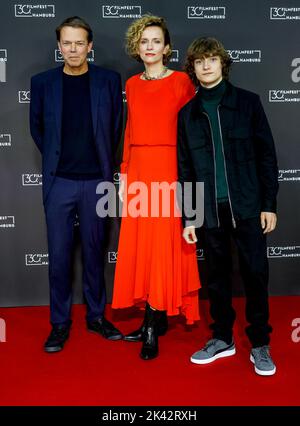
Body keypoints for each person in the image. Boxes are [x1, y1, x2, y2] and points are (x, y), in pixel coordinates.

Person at [177, 37, 279, 375]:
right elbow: (185, 169)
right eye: (200, 61)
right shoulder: (187, 115)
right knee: (217, 279)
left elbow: (266, 156)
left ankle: (260, 344)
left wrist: (268, 203)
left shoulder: (248, 104)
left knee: (255, 275)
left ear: (223, 64)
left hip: (248, 206)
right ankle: (222, 338)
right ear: (192, 68)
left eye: (212, 60)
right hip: (209, 211)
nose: (206, 66)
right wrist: (189, 217)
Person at [30, 16, 123, 353]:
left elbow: (115, 128)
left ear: (90, 46)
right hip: (59, 184)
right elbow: (38, 129)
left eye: (79, 42)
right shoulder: (42, 83)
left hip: (97, 182)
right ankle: (59, 323)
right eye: (66, 43)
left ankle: (97, 316)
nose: (72, 49)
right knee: (58, 257)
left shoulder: (108, 81)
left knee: (96, 253)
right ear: (59, 47)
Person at [112, 15, 201, 360]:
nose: (150, 47)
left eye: (156, 41)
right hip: (139, 171)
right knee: (144, 246)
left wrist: (190, 177)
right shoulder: (132, 84)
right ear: (138, 47)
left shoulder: (181, 82)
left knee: (165, 245)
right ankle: (156, 315)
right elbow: (131, 131)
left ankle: (152, 323)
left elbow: (193, 133)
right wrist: (124, 173)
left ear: (167, 47)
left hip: (171, 170)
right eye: (144, 41)